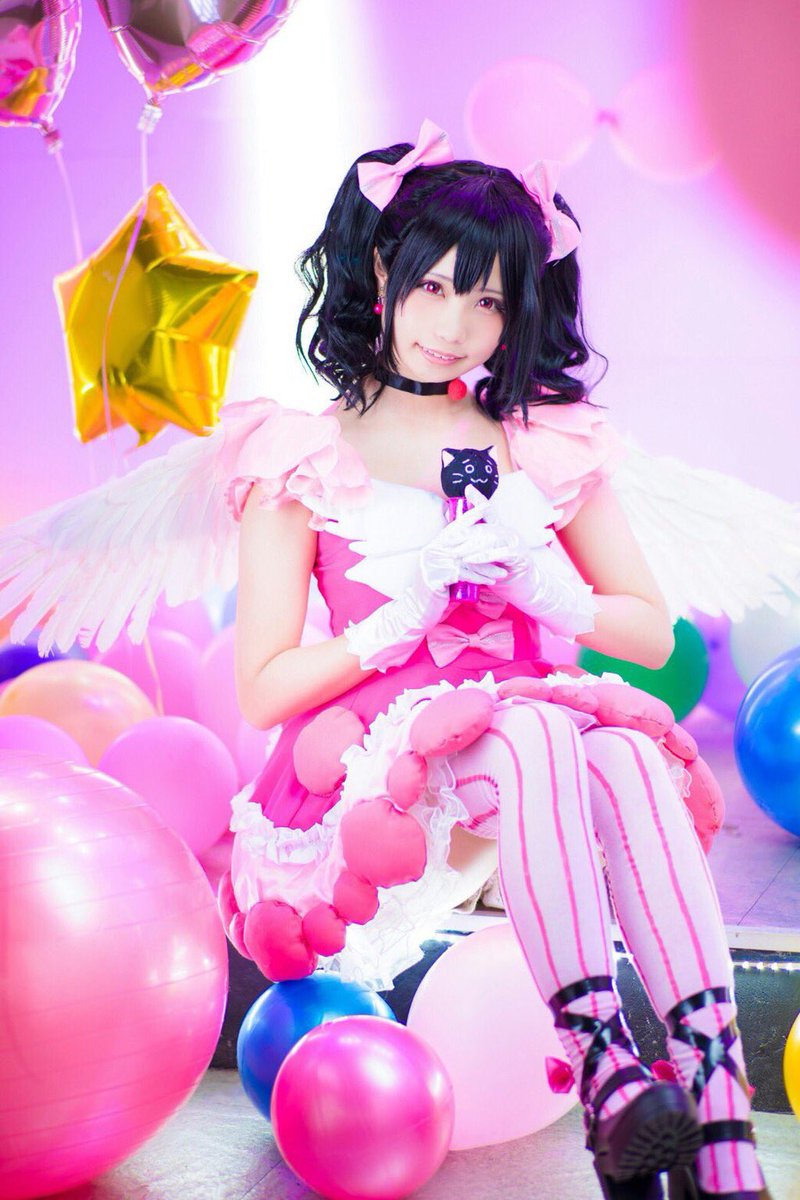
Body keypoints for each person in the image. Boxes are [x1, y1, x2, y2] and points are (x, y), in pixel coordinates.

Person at [220, 121, 770, 1200]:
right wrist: (402, 613)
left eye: (486, 300)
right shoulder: (298, 457)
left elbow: (649, 634)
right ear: (381, 269)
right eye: (433, 287)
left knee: (618, 754)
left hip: (536, 737)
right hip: (381, 758)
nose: (455, 326)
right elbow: (262, 687)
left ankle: (716, 1118)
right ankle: (605, 1060)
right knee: (536, 729)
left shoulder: (539, 439)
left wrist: (548, 589)